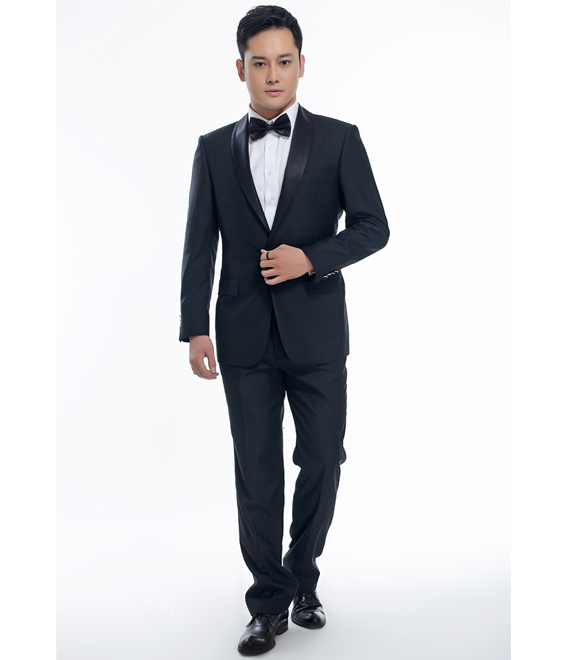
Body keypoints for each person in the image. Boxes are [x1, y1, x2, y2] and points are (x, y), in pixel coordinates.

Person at [179, 5, 389, 655]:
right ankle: (268, 603)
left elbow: (373, 226)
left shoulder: (340, 140)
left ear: (302, 64)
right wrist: (194, 328)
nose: (273, 74)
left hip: (317, 333)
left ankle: (303, 576)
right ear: (241, 69)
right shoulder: (213, 148)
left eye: (284, 61)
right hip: (242, 335)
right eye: (260, 63)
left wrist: (312, 258)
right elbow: (199, 246)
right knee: (258, 473)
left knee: (323, 458)